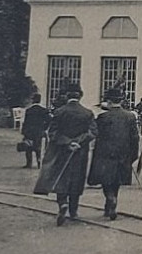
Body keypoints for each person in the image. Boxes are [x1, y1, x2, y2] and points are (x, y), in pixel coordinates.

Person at [33, 84, 95, 226]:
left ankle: (62, 204)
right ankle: (73, 211)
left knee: (61, 177)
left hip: (61, 151)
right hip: (80, 152)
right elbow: (93, 132)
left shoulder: (59, 112)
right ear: (81, 96)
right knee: (77, 179)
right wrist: (78, 142)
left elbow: (52, 133)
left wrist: (68, 143)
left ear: (67, 96)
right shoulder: (88, 113)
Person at [87, 88, 140, 220]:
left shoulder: (102, 117)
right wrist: (133, 155)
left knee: (106, 180)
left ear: (109, 102)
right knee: (116, 179)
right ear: (121, 101)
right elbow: (135, 137)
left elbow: (97, 135)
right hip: (123, 153)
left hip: (105, 154)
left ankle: (110, 198)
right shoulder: (130, 117)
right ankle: (113, 200)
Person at [21, 93, 50, 169]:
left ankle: (29, 163)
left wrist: (24, 131)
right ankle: (39, 162)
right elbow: (49, 120)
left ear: (33, 100)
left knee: (28, 147)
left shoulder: (29, 110)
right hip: (39, 131)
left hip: (30, 131)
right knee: (38, 147)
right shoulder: (44, 110)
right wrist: (44, 128)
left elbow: (26, 122)